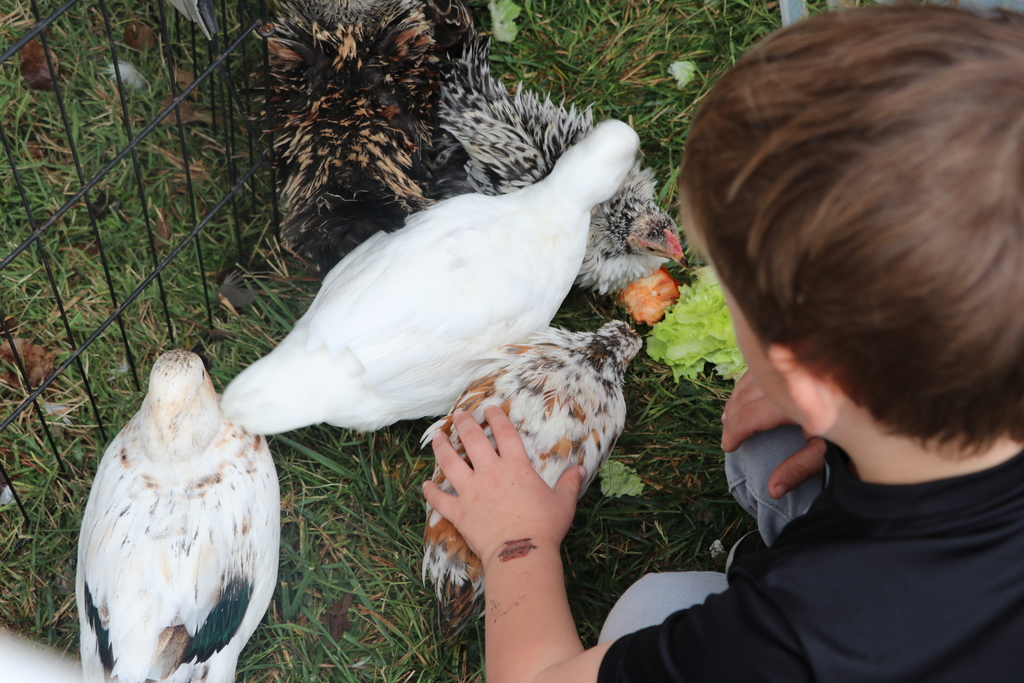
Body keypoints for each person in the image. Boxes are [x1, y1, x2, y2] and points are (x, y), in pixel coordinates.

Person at [422, 5, 1024, 681]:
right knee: (767, 452)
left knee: (650, 609)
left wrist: (517, 541)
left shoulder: (793, 637)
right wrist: (854, 421)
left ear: (815, 380)